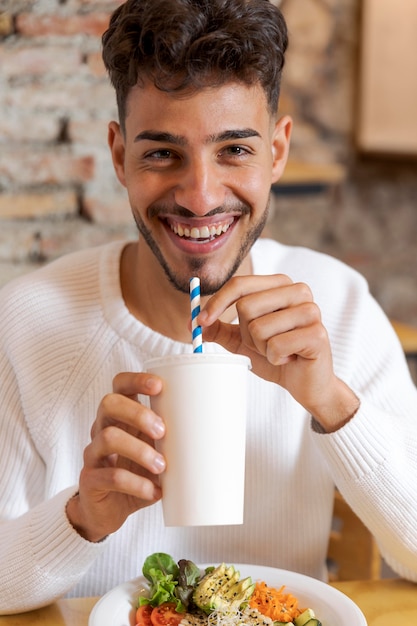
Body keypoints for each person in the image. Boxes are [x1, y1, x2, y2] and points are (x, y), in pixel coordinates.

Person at [1, 0, 417, 615]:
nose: (200, 197)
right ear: (119, 156)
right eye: (162, 153)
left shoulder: (339, 305)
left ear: (276, 152)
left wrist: (332, 402)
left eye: (235, 151)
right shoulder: (27, 321)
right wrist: (81, 518)